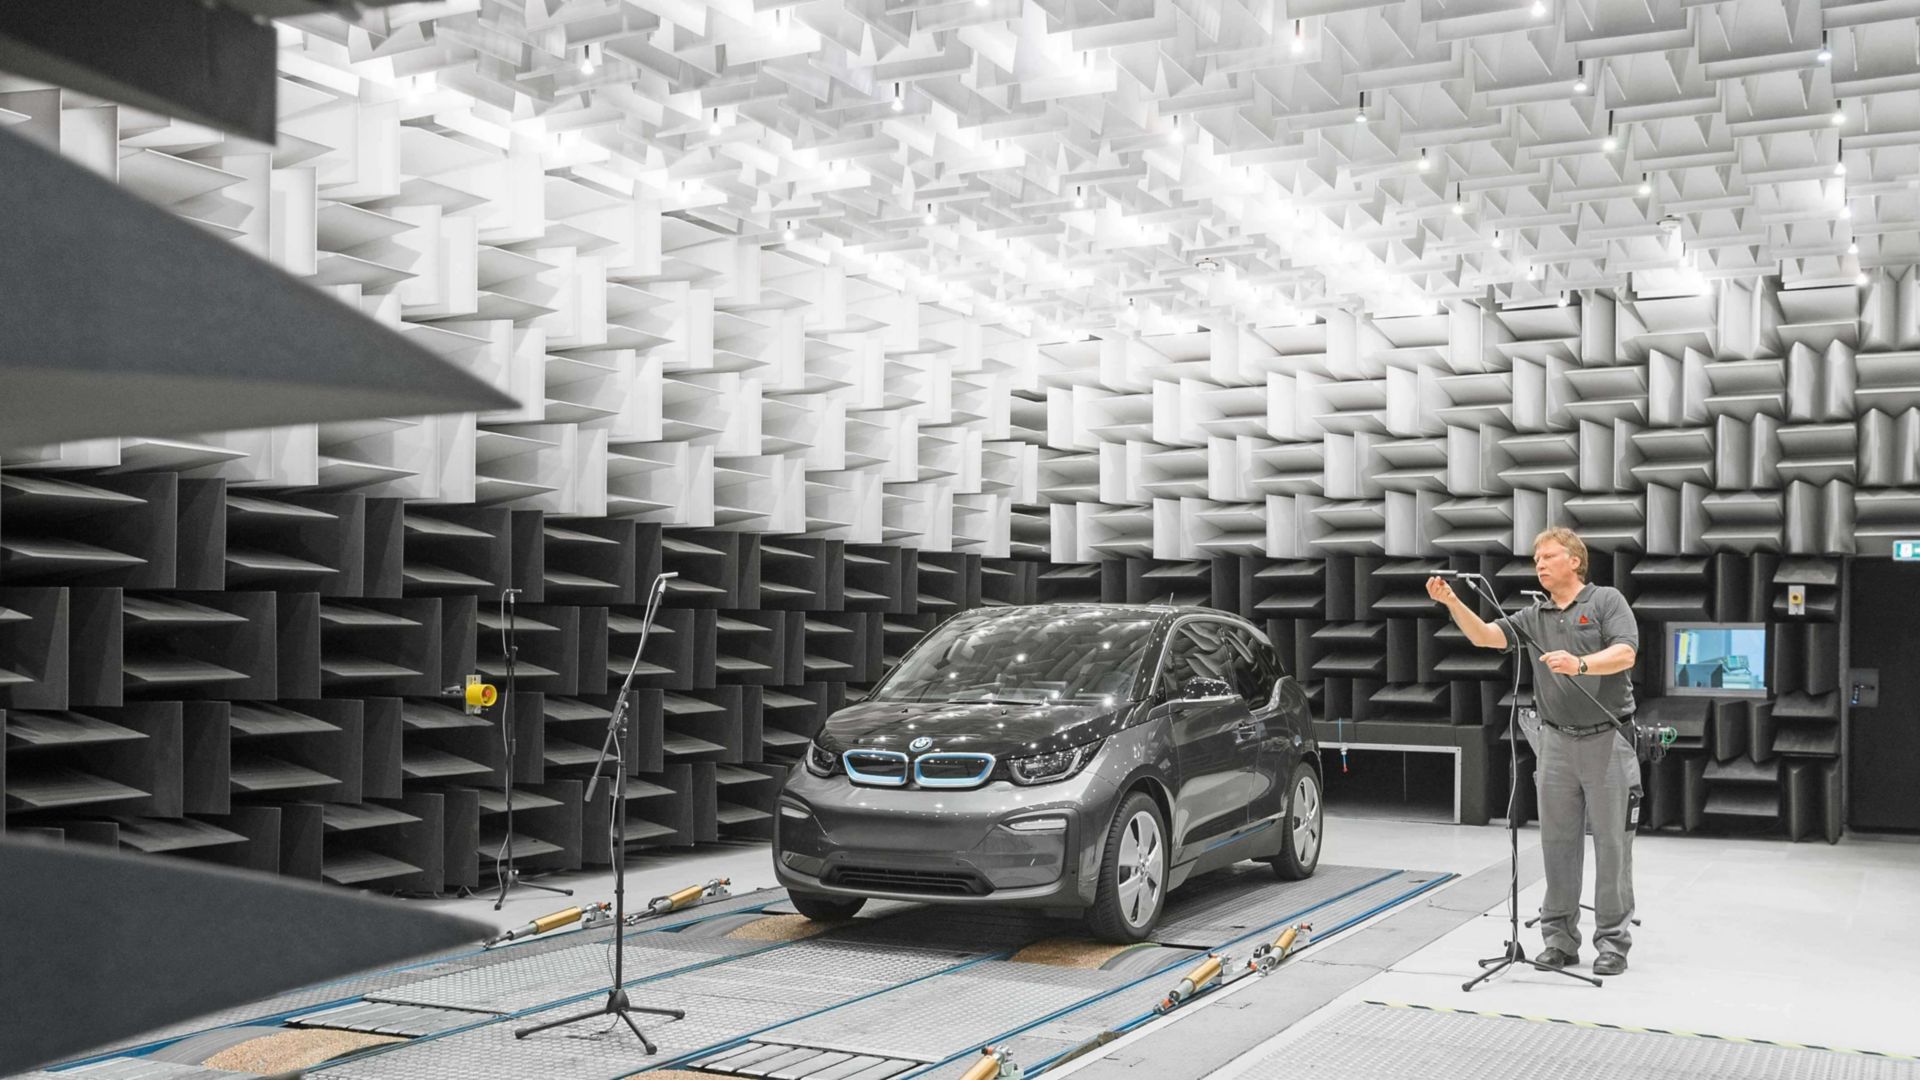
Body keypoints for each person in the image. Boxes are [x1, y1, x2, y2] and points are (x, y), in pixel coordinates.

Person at [1425, 527, 1642, 976]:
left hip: (1608, 740)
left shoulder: (1605, 602)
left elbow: (1625, 654)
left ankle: (1613, 943)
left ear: (1575, 561)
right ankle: (1560, 939)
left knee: (1612, 846)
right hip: (1556, 742)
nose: (1539, 564)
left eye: (1548, 556)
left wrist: (1579, 663)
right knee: (1557, 845)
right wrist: (1451, 602)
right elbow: (1485, 636)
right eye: (1536, 558)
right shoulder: (1534, 615)